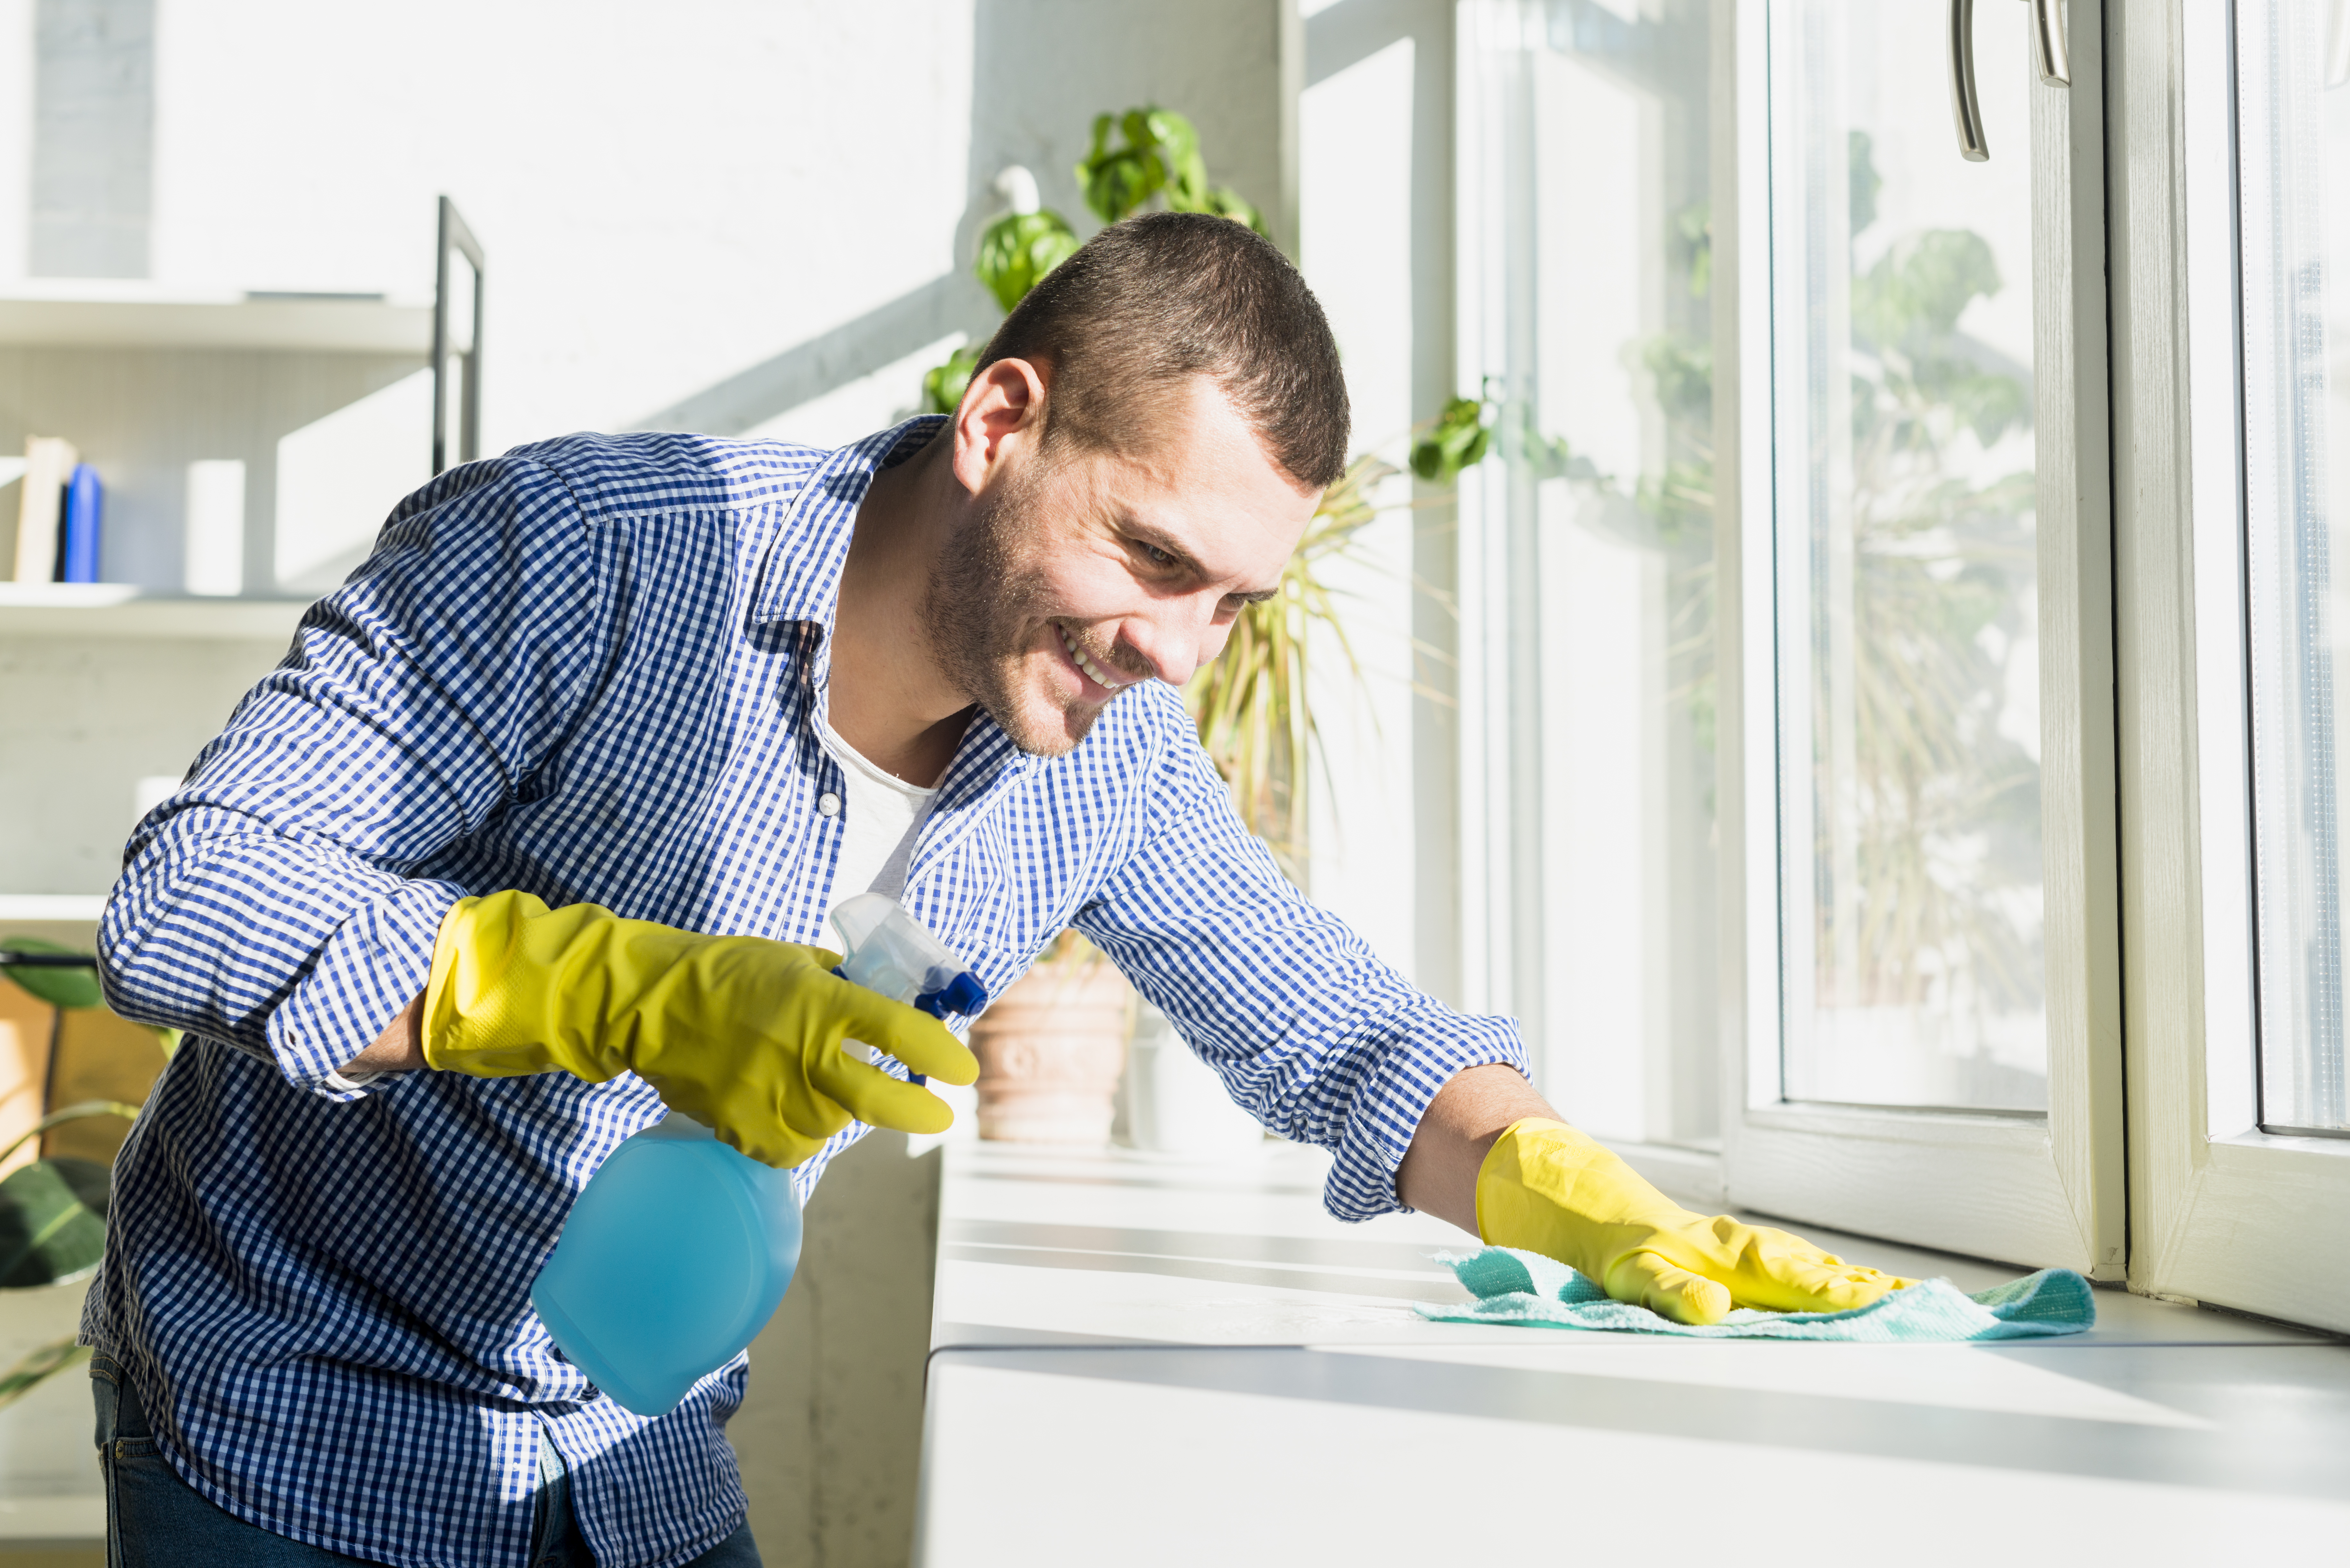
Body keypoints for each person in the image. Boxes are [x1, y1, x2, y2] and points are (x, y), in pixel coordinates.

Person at [87, 212, 1911, 1568]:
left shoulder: (1104, 755)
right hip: (296, 1420)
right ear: (999, 421)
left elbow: (1342, 1033)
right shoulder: (583, 553)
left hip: (627, 1459)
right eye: (1154, 555)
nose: (1179, 650)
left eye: (1234, 603)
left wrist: (1568, 1189)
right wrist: (623, 995)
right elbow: (188, 899)